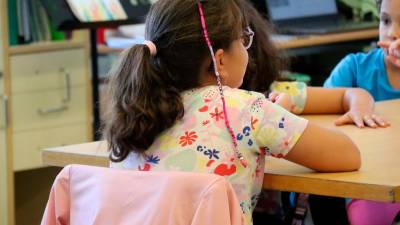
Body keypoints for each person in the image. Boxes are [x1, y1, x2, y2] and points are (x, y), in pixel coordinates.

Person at [103, 0, 361, 224]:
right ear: (220, 61)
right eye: (244, 40)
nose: (248, 47)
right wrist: (276, 116)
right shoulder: (246, 109)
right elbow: (348, 155)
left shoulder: (134, 114)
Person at [323, 0, 400, 224]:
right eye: (385, 21)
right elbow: (318, 128)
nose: (392, 33)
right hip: (363, 192)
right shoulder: (353, 69)